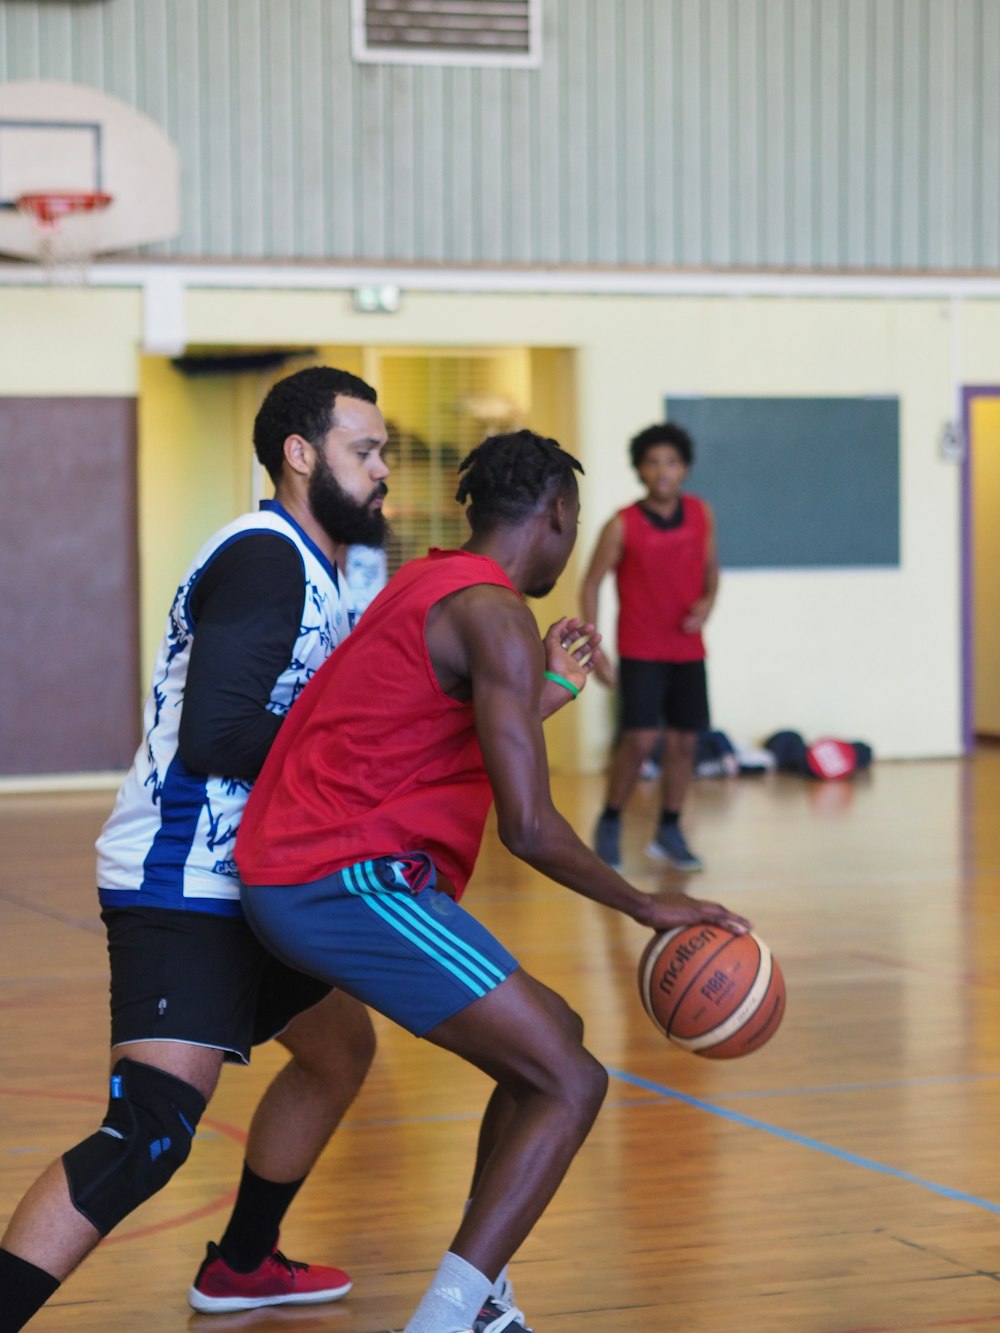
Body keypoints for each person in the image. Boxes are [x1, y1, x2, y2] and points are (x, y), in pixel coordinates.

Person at [234, 429, 750, 1333]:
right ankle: (447, 1315)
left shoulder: (433, 582)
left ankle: (481, 1290)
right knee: (573, 1080)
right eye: (572, 520)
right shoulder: (495, 611)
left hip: (309, 864)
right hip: (344, 880)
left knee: (551, 1037)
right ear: (555, 513)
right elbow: (531, 828)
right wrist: (646, 904)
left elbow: (426, 729)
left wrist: (542, 688)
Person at [0, 365, 391, 1332]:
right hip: (183, 882)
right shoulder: (265, 557)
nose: (385, 471)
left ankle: (244, 1264)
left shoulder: (316, 565)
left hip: (251, 880)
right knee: (148, 1136)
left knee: (338, 1046)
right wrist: (351, 760)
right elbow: (217, 735)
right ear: (301, 455)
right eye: (366, 450)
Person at [581, 421, 718, 873]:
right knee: (639, 740)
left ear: (685, 468)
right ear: (640, 469)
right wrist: (595, 647)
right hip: (641, 650)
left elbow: (712, 572)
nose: (663, 471)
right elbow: (592, 581)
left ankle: (670, 830)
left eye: (672, 462)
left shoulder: (701, 514)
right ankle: (611, 820)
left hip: (688, 650)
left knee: (684, 743)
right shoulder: (622, 524)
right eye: (653, 462)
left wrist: (707, 603)